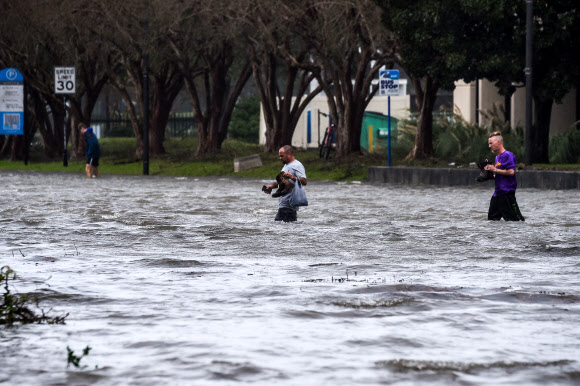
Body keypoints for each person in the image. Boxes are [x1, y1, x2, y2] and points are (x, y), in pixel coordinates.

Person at [484, 131, 525, 221]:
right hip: (497, 194)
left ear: (498, 142)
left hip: (507, 193)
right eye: (489, 144)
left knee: (516, 220)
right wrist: (489, 175)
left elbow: (511, 172)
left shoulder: (508, 155)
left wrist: (494, 169)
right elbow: (500, 173)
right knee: (492, 219)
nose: (489, 146)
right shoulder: (497, 157)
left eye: (491, 143)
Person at [263, 145, 307, 222]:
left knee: (279, 229)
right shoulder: (286, 166)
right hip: (283, 205)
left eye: (282, 156)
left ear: (289, 153)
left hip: (289, 206)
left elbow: (304, 181)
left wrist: (291, 177)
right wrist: (271, 186)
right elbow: (281, 182)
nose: (280, 158)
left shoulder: (297, 165)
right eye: (279, 156)